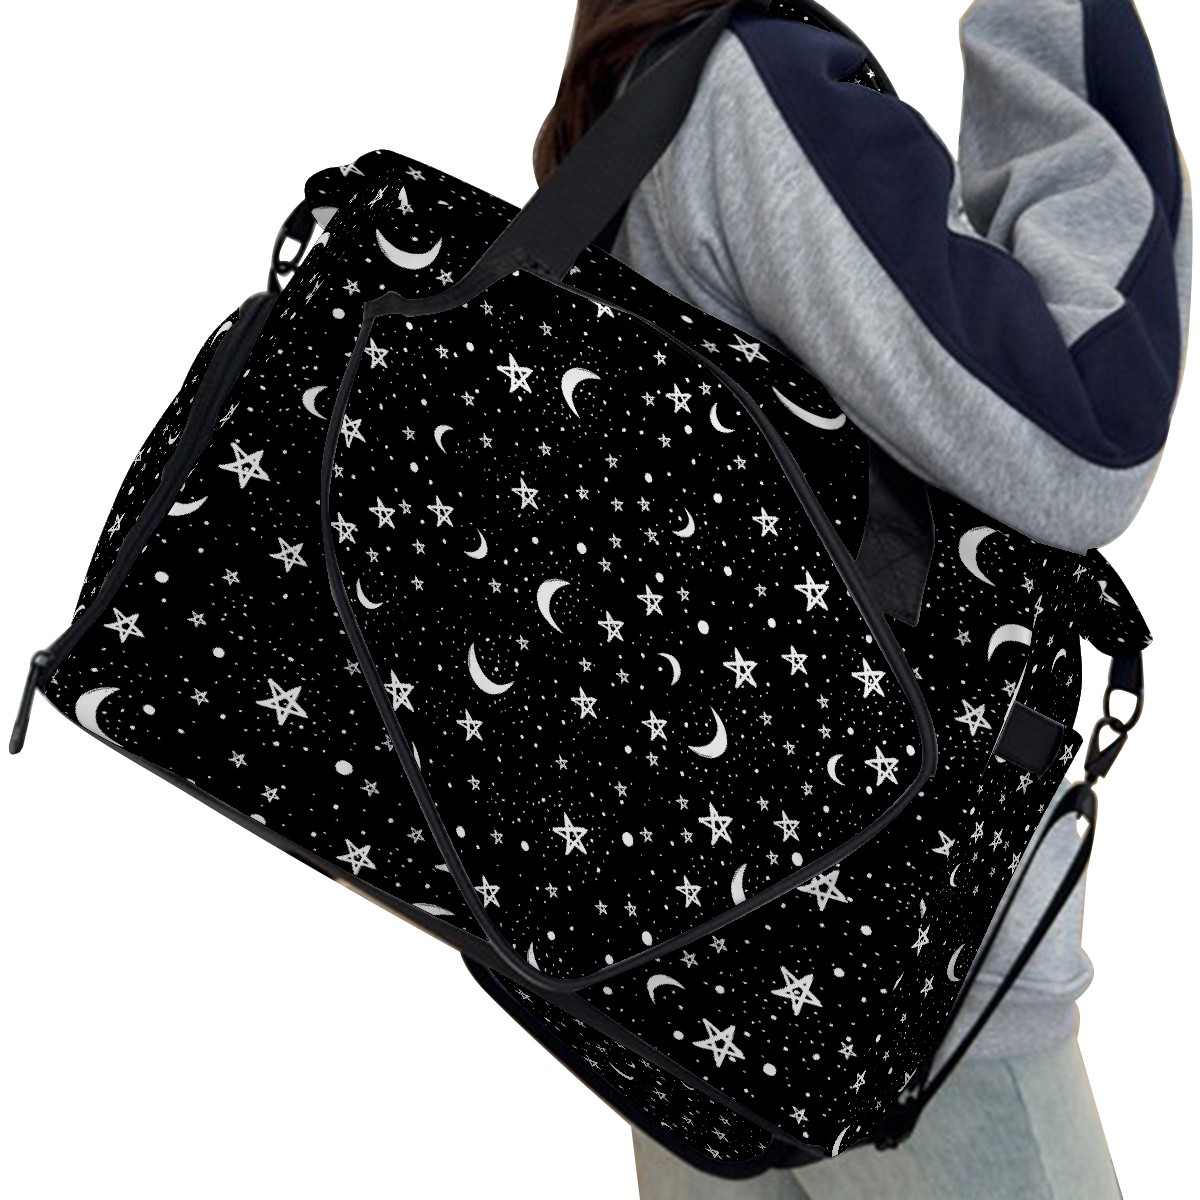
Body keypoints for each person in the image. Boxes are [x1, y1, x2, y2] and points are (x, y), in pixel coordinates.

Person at [531, 1, 1192, 1197]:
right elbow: (1086, 431)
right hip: (903, 996)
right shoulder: (756, 89)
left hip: (676, 976)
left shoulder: (623, 123)